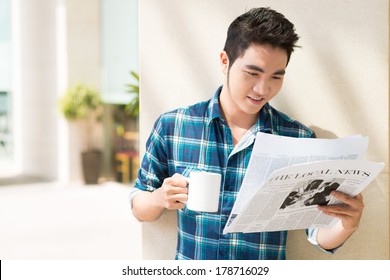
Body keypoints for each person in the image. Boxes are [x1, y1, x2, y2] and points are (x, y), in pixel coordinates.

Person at [130, 7, 364, 260]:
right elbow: (140, 208)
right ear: (224, 61)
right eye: (252, 73)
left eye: (276, 76)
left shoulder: (297, 138)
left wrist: (346, 224)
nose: (262, 88)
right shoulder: (174, 126)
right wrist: (158, 199)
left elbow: (316, 233)